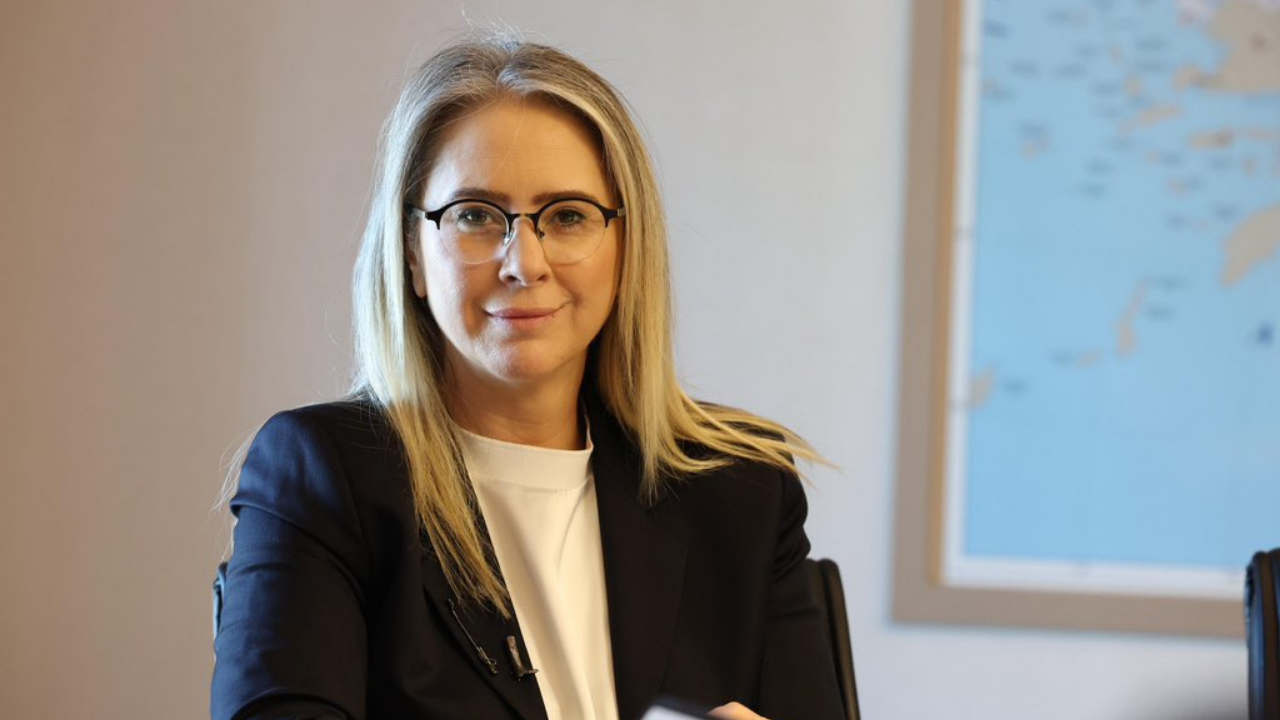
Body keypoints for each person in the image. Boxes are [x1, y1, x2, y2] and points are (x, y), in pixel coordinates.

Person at [211, 37, 844, 720]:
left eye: (568, 216)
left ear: (626, 249)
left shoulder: (743, 489)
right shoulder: (322, 477)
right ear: (413, 254)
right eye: (475, 216)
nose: (525, 263)